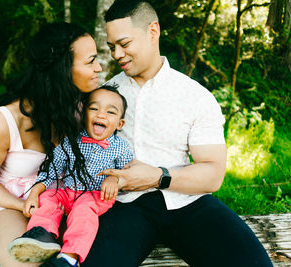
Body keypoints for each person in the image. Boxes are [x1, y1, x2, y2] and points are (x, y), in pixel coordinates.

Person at [82, 1, 273, 267]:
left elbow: (213, 175)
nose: (117, 54)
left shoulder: (194, 96)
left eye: (124, 44)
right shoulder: (105, 95)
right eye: (112, 46)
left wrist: (158, 176)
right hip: (123, 205)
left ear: (153, 31)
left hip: (186, 201)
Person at [0, 22, 102, 267]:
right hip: (15, 207)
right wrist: (23, 205)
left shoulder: (87, 109)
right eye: (90, 61)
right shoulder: (4, 122)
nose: (99, 67)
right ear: (61, 68)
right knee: (27, 260)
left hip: (72, 202)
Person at [8, 85, 134, 267]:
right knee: (49, 197)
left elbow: (128, 171)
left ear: (120, 124)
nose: (101, 115)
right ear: (84, 116)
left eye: (110, 112)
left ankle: (70, 257)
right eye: (94, 108)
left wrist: (114, 179)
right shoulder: (71, 141)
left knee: (84, 212)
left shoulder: (120, 148)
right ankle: (42, 234)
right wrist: (35, 192)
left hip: (96, 195)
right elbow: (52, 167)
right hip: (68, 192)